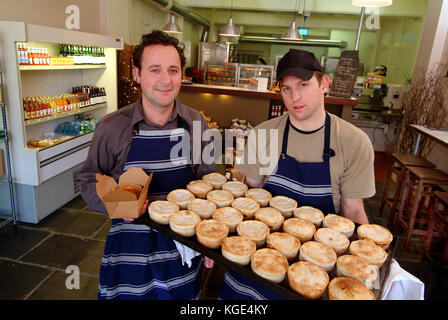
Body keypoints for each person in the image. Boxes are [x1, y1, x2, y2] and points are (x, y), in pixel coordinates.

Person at [219, 49, 376, 300]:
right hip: (262, 258)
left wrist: (364, 268)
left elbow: (353, 212)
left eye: (303, 85)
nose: (295, 97)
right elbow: (251, 198)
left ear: (324, 83)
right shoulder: (263, 134)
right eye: (286, 89)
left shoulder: (353, 142)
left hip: (317, 266)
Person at [76, 30, 214, 300]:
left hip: (181, 249)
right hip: (128, 249)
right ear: (137, 74)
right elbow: (87, 179)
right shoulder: (112, 126)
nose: (166, 79)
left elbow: (208, 186)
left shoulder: (197, 124)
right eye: (155, 70)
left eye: (173, 70)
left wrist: (210, 242)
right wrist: (115, 203)